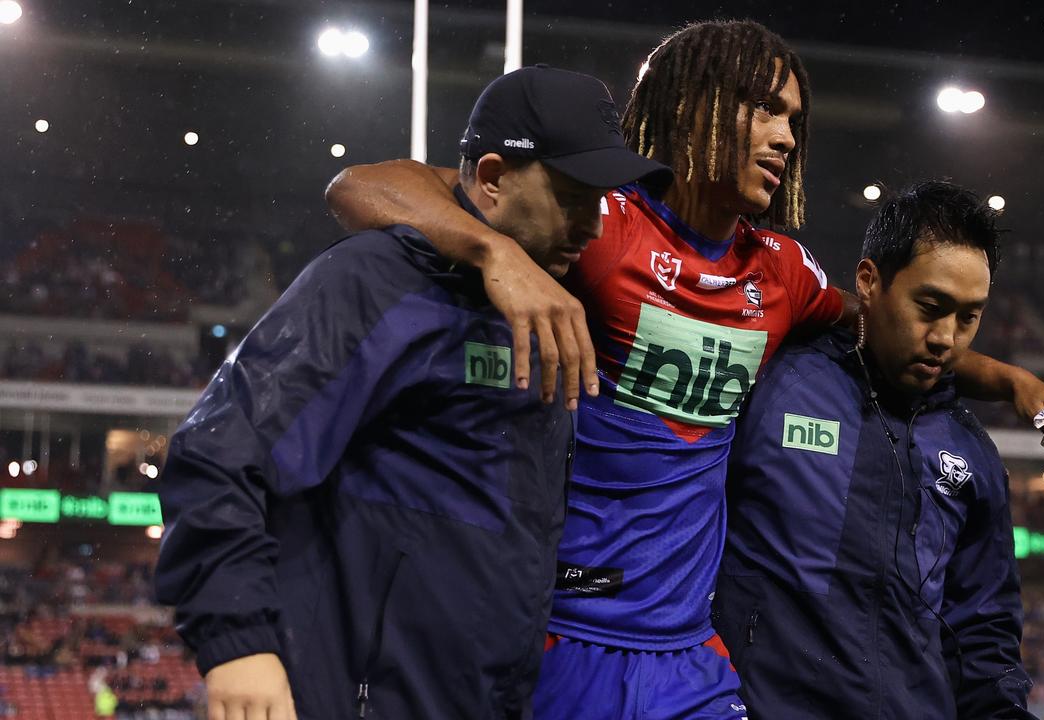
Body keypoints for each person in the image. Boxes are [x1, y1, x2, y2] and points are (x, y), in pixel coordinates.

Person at [326, 20, 1044, 719]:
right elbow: (360, 187)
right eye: (762, 109)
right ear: (694, 108)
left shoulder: (782, 274)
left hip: (690, 654)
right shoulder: (602, 228)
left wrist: (1021, 385)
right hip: (563, 628)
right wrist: (498, 255)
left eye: (793, 117)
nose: (786, 135)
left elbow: (900, 328)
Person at [153, 66, 671, 720]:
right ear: (490, 179)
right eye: (572, 198)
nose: (595, 228)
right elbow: (217, 453)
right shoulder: (377, 282)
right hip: (355, 693)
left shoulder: (551, 300)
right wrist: (237, 641)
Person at [714, 181, 1034, 718]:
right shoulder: (772, 385)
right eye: (930, 307)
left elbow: (983, 635)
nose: (945, 338)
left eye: (969, 317)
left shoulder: (972, 454)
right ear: (868, 282)